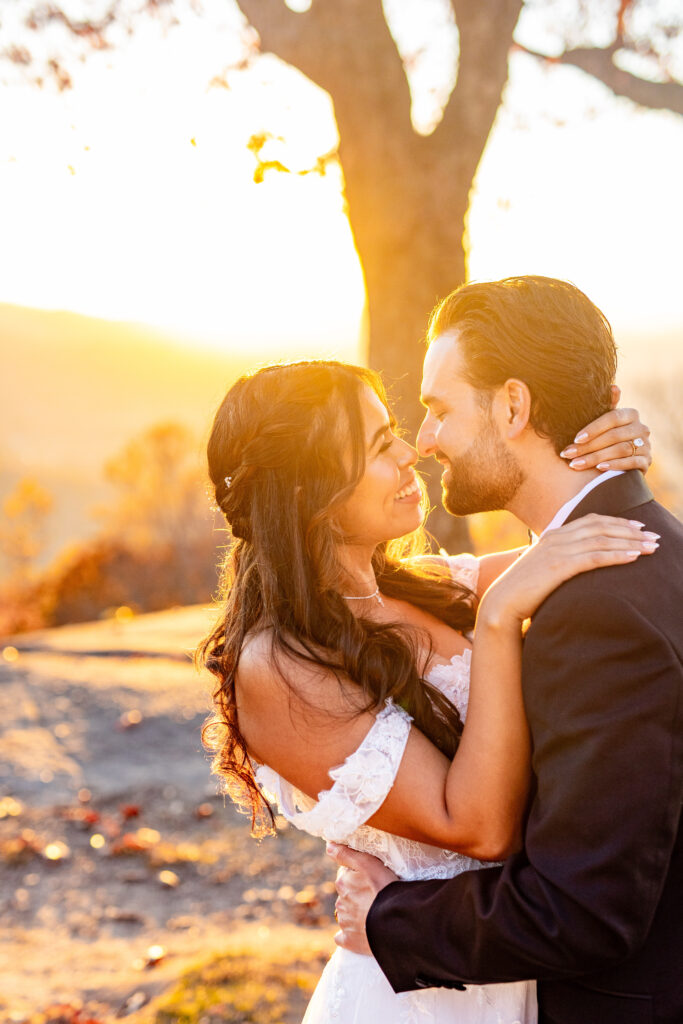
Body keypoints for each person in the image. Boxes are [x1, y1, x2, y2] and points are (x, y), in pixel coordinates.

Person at [198, 341, 654, 1023]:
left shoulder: (426, 588)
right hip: (421, 996)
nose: (409, 455)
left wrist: (607, 452)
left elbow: (581, 539)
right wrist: (498, 623)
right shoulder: (278, 666)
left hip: (514, 958)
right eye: (380, 445)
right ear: (306, 491)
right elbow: (476, 828)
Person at [331, 276, 683, 1024]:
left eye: (438, 409)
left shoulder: (597, 610)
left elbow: (584, 909)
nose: (423, 442)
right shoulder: (654, 548)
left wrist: (389, 919)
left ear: (513, 407)